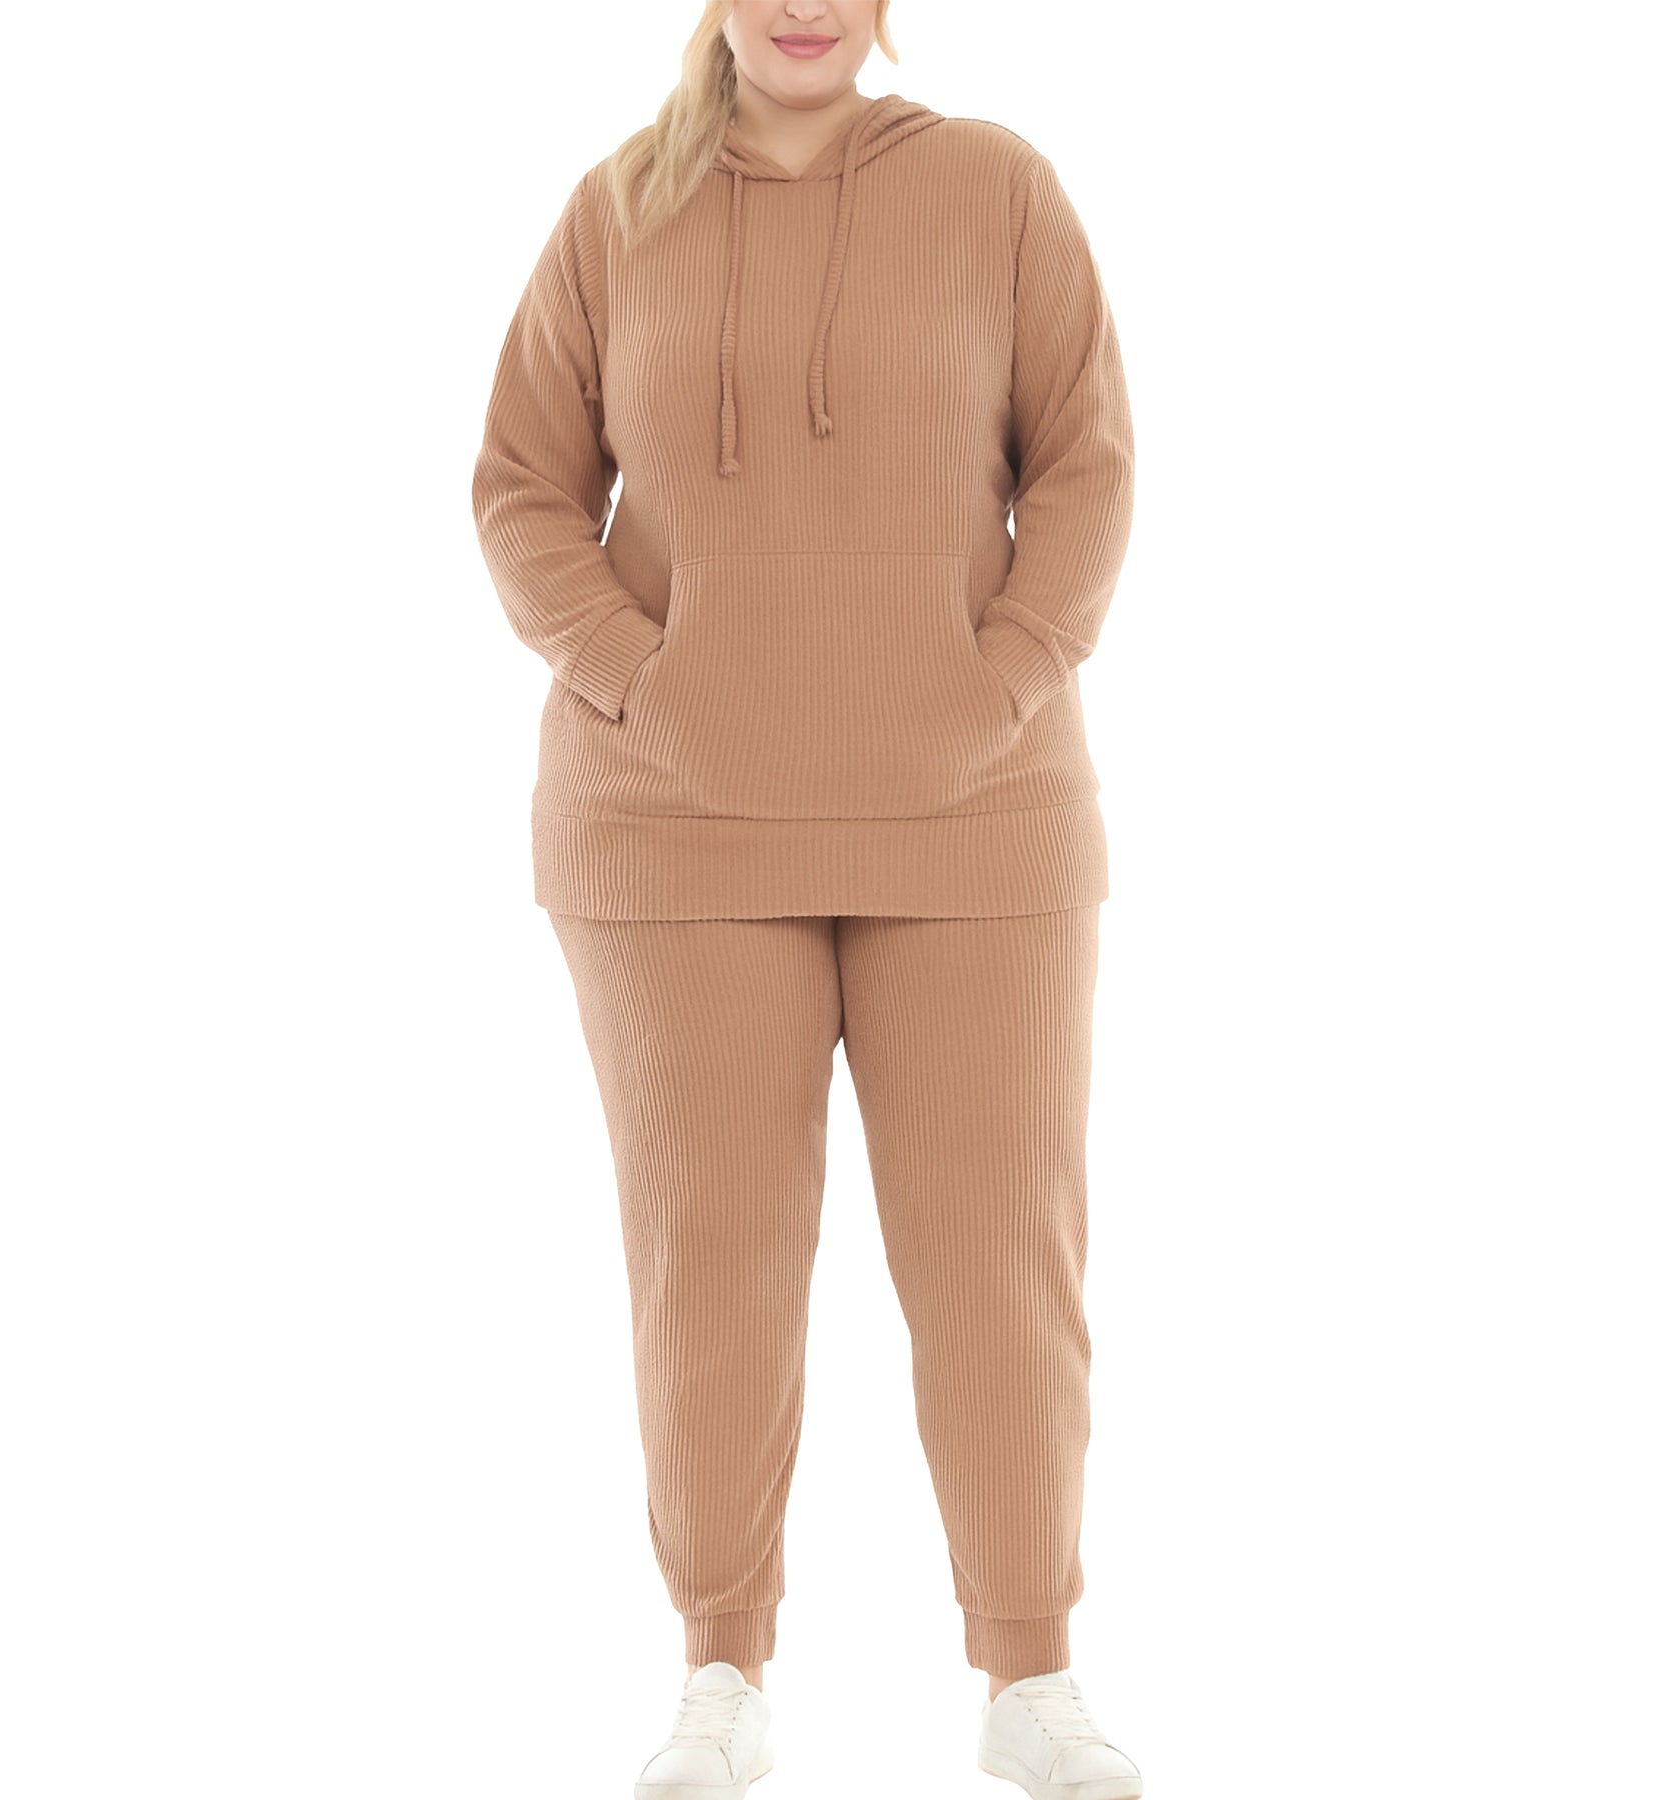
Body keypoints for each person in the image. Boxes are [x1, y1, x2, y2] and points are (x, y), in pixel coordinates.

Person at [470, 4, 1139, 1795]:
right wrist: (639, 678)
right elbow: (523, 489)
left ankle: (1029, 1675)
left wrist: (1004, 679)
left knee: (1001, 1258)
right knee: (711, 1261)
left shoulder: (999, 191)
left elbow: (1088, 463)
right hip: (676, 828)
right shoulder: (616, 211)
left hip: (975, 816)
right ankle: (721, 1667)